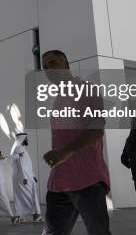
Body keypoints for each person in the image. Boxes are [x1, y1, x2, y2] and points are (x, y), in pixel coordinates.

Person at [41, 50, 111, 235]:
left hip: (86, 180)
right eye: (45, 67)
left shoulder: (86, 89)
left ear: (66, 64)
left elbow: (96, 129)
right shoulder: (58, 100)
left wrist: (65, 152)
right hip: (58, 182)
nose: (49, 69)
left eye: (53, 63)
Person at [11, 132, 43, 223]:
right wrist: (24, 177)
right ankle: (35, 216)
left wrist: (33, 175)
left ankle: (20, 216)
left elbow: (27, 164)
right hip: (24, 178)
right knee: (29, 196)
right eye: (26, 138)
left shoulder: (21, 148)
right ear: (23, 139)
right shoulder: (19, 148)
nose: (27, 140)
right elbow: (20, 164)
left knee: (25, 196)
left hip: (26, 177)